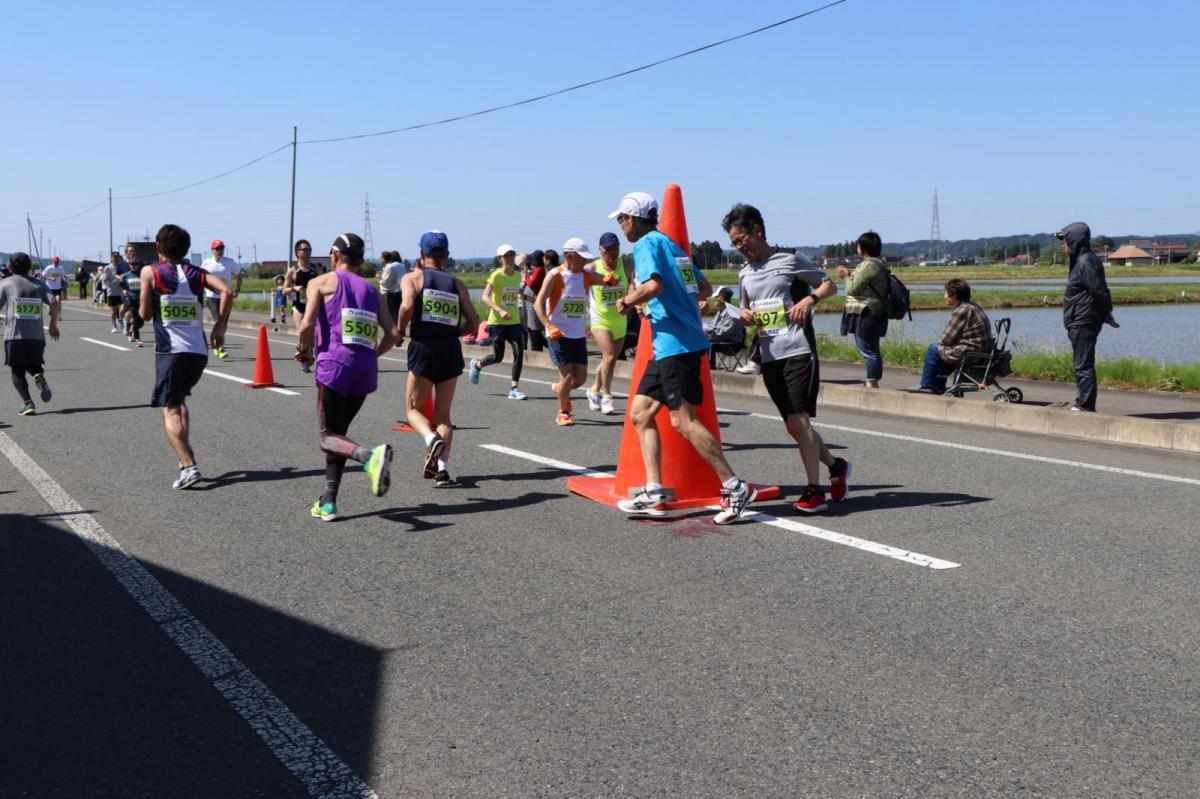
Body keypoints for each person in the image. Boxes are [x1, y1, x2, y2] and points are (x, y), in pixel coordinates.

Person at [609, 191, 755, 525]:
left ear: (632, 219)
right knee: (640, 413)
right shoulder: (675, 248)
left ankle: (735, 487)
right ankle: (655, 489)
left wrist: (629, 301)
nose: (621, 226)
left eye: (621, 219)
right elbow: (704, 290)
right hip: (672, 344)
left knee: (683, 421)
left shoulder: (645, 245)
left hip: (676, 345)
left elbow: (653, 286)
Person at [724, 203, 848, 513]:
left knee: (799, 420)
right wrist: (745, 316)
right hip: (769, 355)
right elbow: (746, 310)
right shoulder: (744, 273)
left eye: (741, 239)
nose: (739, 247)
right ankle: (836, 466)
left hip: (797, 350)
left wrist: (808, 299)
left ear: (758, 231)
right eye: (733, 243)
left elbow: (829, 284)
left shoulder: (791, 259)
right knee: (793, 426)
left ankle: (814, 491)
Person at [295, 233, 398, 521]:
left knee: (327, 437)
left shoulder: (321, 282)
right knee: (338, 434)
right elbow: (393, 334)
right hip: (365, 370)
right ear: (362, 261)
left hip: (334, 366)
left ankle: (369, 457)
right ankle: (328, 501)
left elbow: (306, 324)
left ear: (335, 256)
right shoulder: (372, 291)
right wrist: (372, 356)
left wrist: (303, 350)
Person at [139, 223, 232, 489]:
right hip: (198, 353)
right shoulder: (198, 273)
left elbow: (144, 315)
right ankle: (184, 462)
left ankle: (190, 466)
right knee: (180, 402)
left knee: (170, 411)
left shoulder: (150, 272)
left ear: (158, 248)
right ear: (186, 249)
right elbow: (226, 291)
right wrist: (220, 326)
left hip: (170, 352)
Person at [397, 230, 480, 487]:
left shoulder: (413, 277)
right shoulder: (457, 285)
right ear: (446, 256)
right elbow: (475, 323)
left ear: (422, 254)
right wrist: (455, 332)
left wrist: (400, 330)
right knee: (444, 415)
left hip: (423, 347)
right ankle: (442, 471)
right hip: (450, 350)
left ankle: (430, 439)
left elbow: (407, 306)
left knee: (413, 410)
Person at [534, 237, 612, 426]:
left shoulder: (586, 275)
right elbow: (538, 303)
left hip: (577, 335)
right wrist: (548, 325)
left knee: (580, 379)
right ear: (569, 256)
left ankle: (560, 389)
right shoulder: (555, 275)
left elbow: (603, 280)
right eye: (581, 258)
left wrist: (609, 280)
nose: (585, 262)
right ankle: (563, 412)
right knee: (567, 377)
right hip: (558, 334)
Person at [1058, 222, 1117, 412]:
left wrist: (1106, 313)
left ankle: (1085, 405)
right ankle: (1084, 403)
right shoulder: (1081, 260)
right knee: (1082, 364)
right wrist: (1106, 313)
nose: (1064, 245)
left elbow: (1099, 291)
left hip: (1084, 320)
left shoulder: (1085, 262)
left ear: (1075, 240)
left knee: (1083, 365)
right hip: (1081, 319)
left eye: (1066, 240)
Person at [0, 252, 60, 416]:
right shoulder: (40, 285)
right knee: (34, 366)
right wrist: (53, 325)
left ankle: (28, 403)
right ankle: (39, 376)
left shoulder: (5, 284)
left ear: (10, 267)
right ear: (29, 267)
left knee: (17, 371)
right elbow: (54, 302)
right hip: (36, 337)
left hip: (14, 336)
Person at [914, 278, 993, 395]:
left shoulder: (962, 310)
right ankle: (938, 386)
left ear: (954, 295)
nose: (944, 296)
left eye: (945, 293)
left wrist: (942, 345)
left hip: (970, 354)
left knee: (934, 349)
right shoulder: (971, 306)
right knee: (943, 351)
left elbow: (945, 339)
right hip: (979, 351)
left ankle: (927, 385)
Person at [469, 244, 527, 400]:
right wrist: (500, 310)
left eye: (512, 255)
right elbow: (485, 297)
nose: (509, 258)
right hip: (498, 323)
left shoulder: (517, 275)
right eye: (506, 256)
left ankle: (514, 389)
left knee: (519, 353)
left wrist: (531, 299)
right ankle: (477, 364)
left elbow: (518, 295)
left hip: (514, 321)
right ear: (499, 259)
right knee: (498, 357)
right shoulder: (495, 275)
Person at [585, 231, 632, 415]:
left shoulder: (626, 266)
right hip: (600, 319)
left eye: (616, 248)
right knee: (611, 356)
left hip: (620, 318)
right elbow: (575, 285)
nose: (612, 253)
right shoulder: (592, 268)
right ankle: (607, 396)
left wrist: (631, 301)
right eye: (608, 249)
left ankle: (593, 390)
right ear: (600, 249)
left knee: (608, 360)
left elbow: (634, 286)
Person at [837, 231, 889, 388]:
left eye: (858, 244)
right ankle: (873, 382)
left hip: (867, 312)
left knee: (868, 349)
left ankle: (871, 383)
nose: (856, 247)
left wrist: (845, 276)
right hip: (872, 311)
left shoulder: (868, 265)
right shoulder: (876, 263)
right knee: (870, 348)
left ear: (864, 248)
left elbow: (852, 288)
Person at [201, 239, 243, 359]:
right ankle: (218, 346)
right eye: (217, 249)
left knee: (223, 322)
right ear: (212, 250)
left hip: (226, 297)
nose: (220, 251)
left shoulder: (230, 262)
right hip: (212, 296)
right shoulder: (206, 263)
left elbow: (239, 276)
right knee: (218, 320)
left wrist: (237, 290)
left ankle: (219, 344)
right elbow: (202, 278)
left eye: (221, 248)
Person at [285, 239, 320, 372]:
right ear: (297, 253)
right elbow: (284, 290)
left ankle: (308, 353)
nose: (308, 252)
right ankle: (303, 358)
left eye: (310, 250)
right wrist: (295, 288)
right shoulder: (293, 270)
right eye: (305, 250)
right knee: (303, 332)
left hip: (313, 304)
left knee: (314, 333)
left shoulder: (315, 268)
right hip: (298, 305)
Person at [706, 287, 746, 369]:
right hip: (723, 340)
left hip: (733, 343)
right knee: (703, 341)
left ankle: (710, 366)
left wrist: (707, 331)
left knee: (710, 344)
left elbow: (724, 333)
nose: (714, 299)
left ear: (722, 299)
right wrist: (705, 330)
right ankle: (703, 366)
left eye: (716, 297)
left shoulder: (733, 313)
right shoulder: (720, 311)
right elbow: (712, 326)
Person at [522, 249, 549, 351]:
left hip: (534, 299)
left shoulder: (539, 269)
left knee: (534, 325)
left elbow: (531, 283)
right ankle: (540, 346)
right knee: (533, 325)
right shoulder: (539, 269)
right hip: (534, 298)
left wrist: (526, 274)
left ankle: (537, 347)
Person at [121, 261, 145, 347]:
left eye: (136, 264)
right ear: (129, 265)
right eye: (132, 264)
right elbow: (122, 286)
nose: (134, 266)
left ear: (138, 265)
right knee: (135, 317)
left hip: (141, 299)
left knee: (141, 320)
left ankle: (130, 329)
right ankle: (138, 339)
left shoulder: (142, 274)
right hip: (130, 299)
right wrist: (124, 291)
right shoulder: (126, 275)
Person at [378, 250, 404, 324]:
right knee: (397, 311)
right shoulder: (401, 265)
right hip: (400, 290)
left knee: (390, 312)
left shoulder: (391, 267)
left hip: (390, 291)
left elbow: (386, 282)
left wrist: (379, 279)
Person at [102, 256, 125, 332]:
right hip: (111, 291)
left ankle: (121, 322)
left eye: (117, 257)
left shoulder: (121, 267)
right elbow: (105, 280)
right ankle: (114, 326)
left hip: (121, 291)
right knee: (114, 311)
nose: (116, 259)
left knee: (123, 308)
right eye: (114, 257)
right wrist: (107, 279)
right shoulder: (107, 268)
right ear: (111, 258)